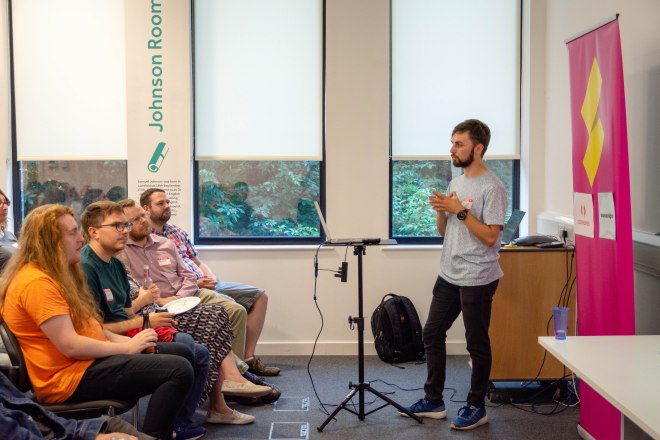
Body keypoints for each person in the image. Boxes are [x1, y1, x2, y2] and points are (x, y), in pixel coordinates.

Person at [0, 204, 196, 440]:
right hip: (68, 379)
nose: (81, 239)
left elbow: (91, 327)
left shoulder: (55, 275)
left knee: (183, 352)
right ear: (50, 241)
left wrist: (127, 343)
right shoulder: (36, 283)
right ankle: (152, 436)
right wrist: (127, 347)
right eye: (73, 232)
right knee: (179, 369)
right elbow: (71, 346)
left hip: (85, 363)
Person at [80, 201, 269, 425]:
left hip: (164, 307)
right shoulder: (91, 265)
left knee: (217, 316)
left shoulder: (121, 261)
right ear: (93, 232)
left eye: (126, 225)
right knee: (196, 340)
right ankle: (207, 402)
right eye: (119, 225)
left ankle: (220, 394)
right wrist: (147, 317)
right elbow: (96, 327)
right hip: (137, 324)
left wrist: (170, 302)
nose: (125, 230)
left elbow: (185, 275)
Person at [118, 200, 280, 404]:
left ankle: (237, 376)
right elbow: (140, 291)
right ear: (125, 226)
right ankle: (239, 376)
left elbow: (188, 274)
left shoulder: (165, 243)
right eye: (135, 219)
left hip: (188, 293)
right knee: (213, 317)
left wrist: (182, 296)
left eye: (142, 215)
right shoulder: (122, 252)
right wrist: (163, 300)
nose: (143, 220)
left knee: (235, 310)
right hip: (160, 303)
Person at [403, 119, 507, 431]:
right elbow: (444, 231)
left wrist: (460, 210)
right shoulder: (455, 183)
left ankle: (477, 406)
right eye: (452, 143)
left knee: (476, 343)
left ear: (478, 148)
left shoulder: (493, 187)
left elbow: (491, 237)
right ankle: (433, 400)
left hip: (478, 276)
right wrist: (442, 210)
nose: (452, 149)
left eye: (459, 144)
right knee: (432, 333)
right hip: (449, 272)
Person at [0, 370, 150, 440]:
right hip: (64, 380)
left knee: (113, 424)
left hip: (51, 431)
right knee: (167, 369)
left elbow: (48, 421)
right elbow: (72, 347)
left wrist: (93, 435)